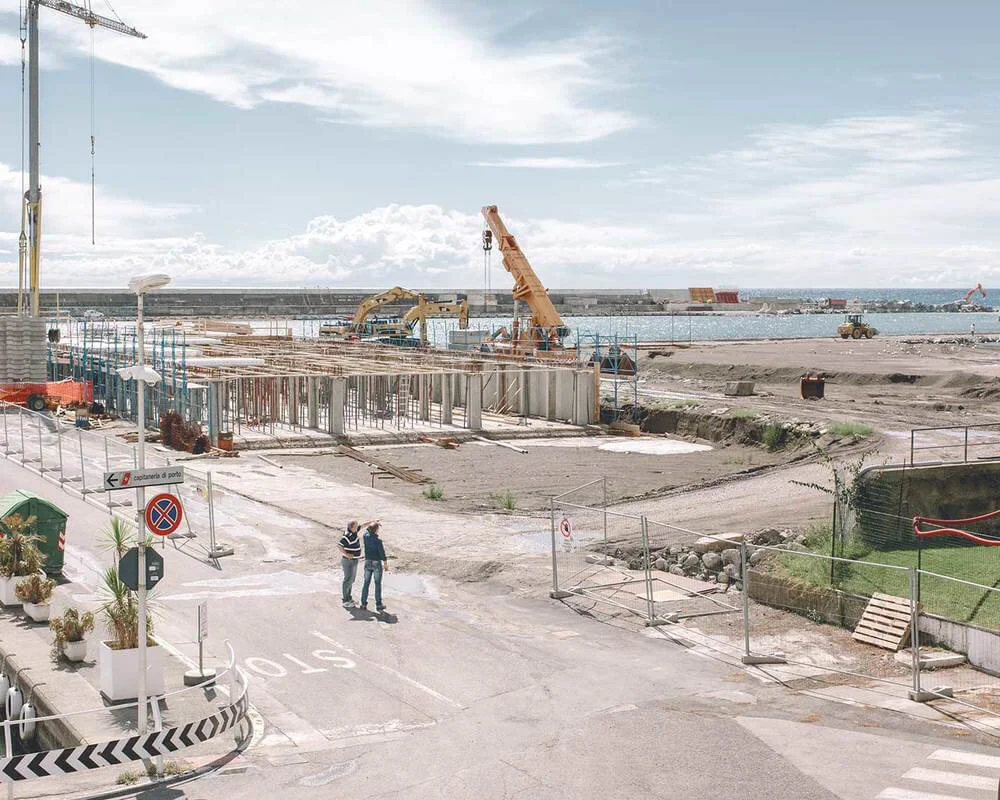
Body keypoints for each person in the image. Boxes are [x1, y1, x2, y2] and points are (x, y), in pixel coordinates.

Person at [360, 521, 389, 613]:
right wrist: (385, 564)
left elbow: (366, 531)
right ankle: (378, 605)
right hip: (376, 563)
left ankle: (363, 603)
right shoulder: (378, 541)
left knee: (366, 583)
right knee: (377, 584)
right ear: (376, 530)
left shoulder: (365, 536)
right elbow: (382, 553)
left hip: (368, 562)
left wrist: (373, 523)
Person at [338, 520, 364, 608]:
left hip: (354, 560)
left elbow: (363, 525)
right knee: (348, 579)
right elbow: (339, 545)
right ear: (352, 527)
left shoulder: (354, 532)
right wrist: (346, 554)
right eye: (356, 525)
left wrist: (373, 521)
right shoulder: (347, 536)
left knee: (351, 580)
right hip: (348, 561)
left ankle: (349, 598)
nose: (358, 526)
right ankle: (345, 600)